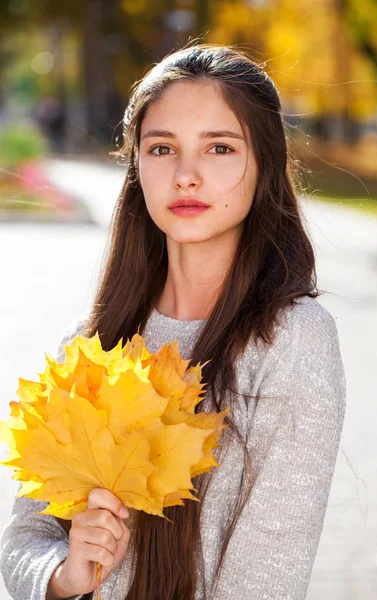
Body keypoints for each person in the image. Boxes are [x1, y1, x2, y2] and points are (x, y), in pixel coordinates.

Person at [0, 43, 346, 600]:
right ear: (137, 163)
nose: (186, 175)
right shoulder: (91, 345)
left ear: (264, 163)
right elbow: (26, 537)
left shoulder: (290, 341)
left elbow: (265, 581)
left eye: (219, 148)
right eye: (162, 148)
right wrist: (66, 574)